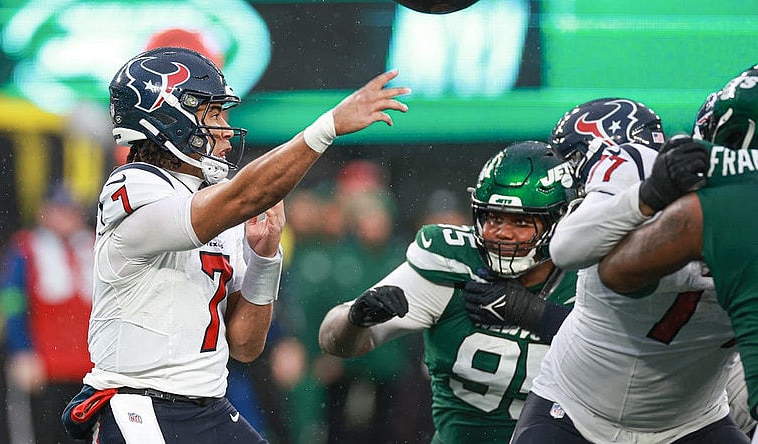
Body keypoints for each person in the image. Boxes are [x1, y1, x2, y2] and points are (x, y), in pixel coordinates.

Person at [61, 46, 409, 443]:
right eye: (213, 114)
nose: (226, 129)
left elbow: (245, 345)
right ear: (166, 117)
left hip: (209, 405)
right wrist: (326, 128)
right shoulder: (134, 184)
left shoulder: (213, 199)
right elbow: (243, 196)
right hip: (141, 404)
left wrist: (264, 258)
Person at [510, 91, 753, 442]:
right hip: (577, 410)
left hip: (693, 422)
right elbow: (566, 248)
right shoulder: (640, 165)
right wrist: (650, 193)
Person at [319, 141, 579, 443]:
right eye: (494, 218)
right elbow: (332, 341)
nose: (502, 233)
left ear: (560, 220)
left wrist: (533, 313)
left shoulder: (589, 273)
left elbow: (623, 359)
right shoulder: (451, 263)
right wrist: (353, 320)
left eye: (521, 222)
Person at [596, 65, 758, 437]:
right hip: (661, 383)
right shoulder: (690, 211)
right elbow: (616, 274)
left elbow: (618, 272)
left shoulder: (707, 210)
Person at [0, 181, 94, 444]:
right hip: (45, 369)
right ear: (45, 212)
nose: (67, 217)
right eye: (60, 210)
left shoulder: (95, 246)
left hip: (90, 371)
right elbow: (11, 302)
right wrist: (21, 350)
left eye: (72, 211)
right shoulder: (25, 248)